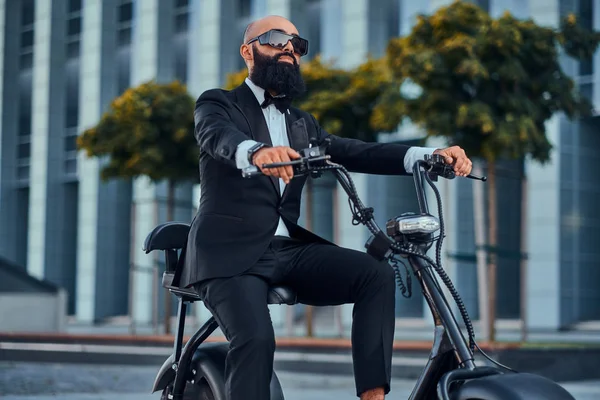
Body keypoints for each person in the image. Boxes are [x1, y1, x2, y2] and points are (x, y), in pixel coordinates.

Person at [180, 15, 473, 400]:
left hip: (287, 250)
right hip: (229, 254)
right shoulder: (219, 102)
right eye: (275, 39)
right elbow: (218, 137)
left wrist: (429, 154)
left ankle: (372, 396)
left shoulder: (303, 124)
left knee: (375, 275)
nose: (288, 48)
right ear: (247, 52)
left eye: (296, 45)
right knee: (255, 339)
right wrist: (256, 153)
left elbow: (359, 151)